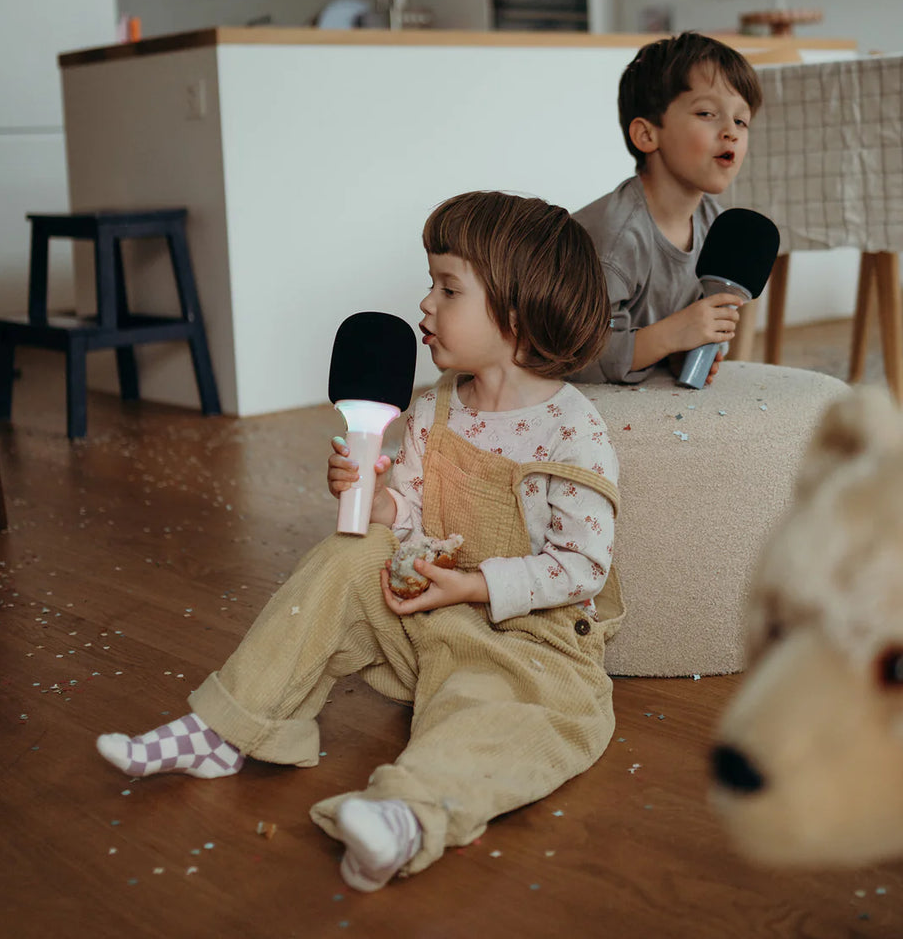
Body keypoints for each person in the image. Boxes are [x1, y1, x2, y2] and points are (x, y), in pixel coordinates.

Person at [96, 191, 624, 894]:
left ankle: (404, 814)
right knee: (347, 556)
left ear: (518, 313)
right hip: (426, 617)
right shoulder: (436, 403)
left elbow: (582, 566)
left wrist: (473, 586)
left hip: (531, 643)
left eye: (448, 287)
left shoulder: (573, 429)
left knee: (493, 718)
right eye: (429, 282)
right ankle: (225, 729)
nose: (425, 304)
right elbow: (407, 513)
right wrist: (373, 497)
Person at [571, 31, 763, 385]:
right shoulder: (615, 238)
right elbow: (579, 355)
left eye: (741, 121)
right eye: (707, 113)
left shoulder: (713, 224)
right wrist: (673, 334)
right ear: (647, 135)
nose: (731, 132)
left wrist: (680, 351)